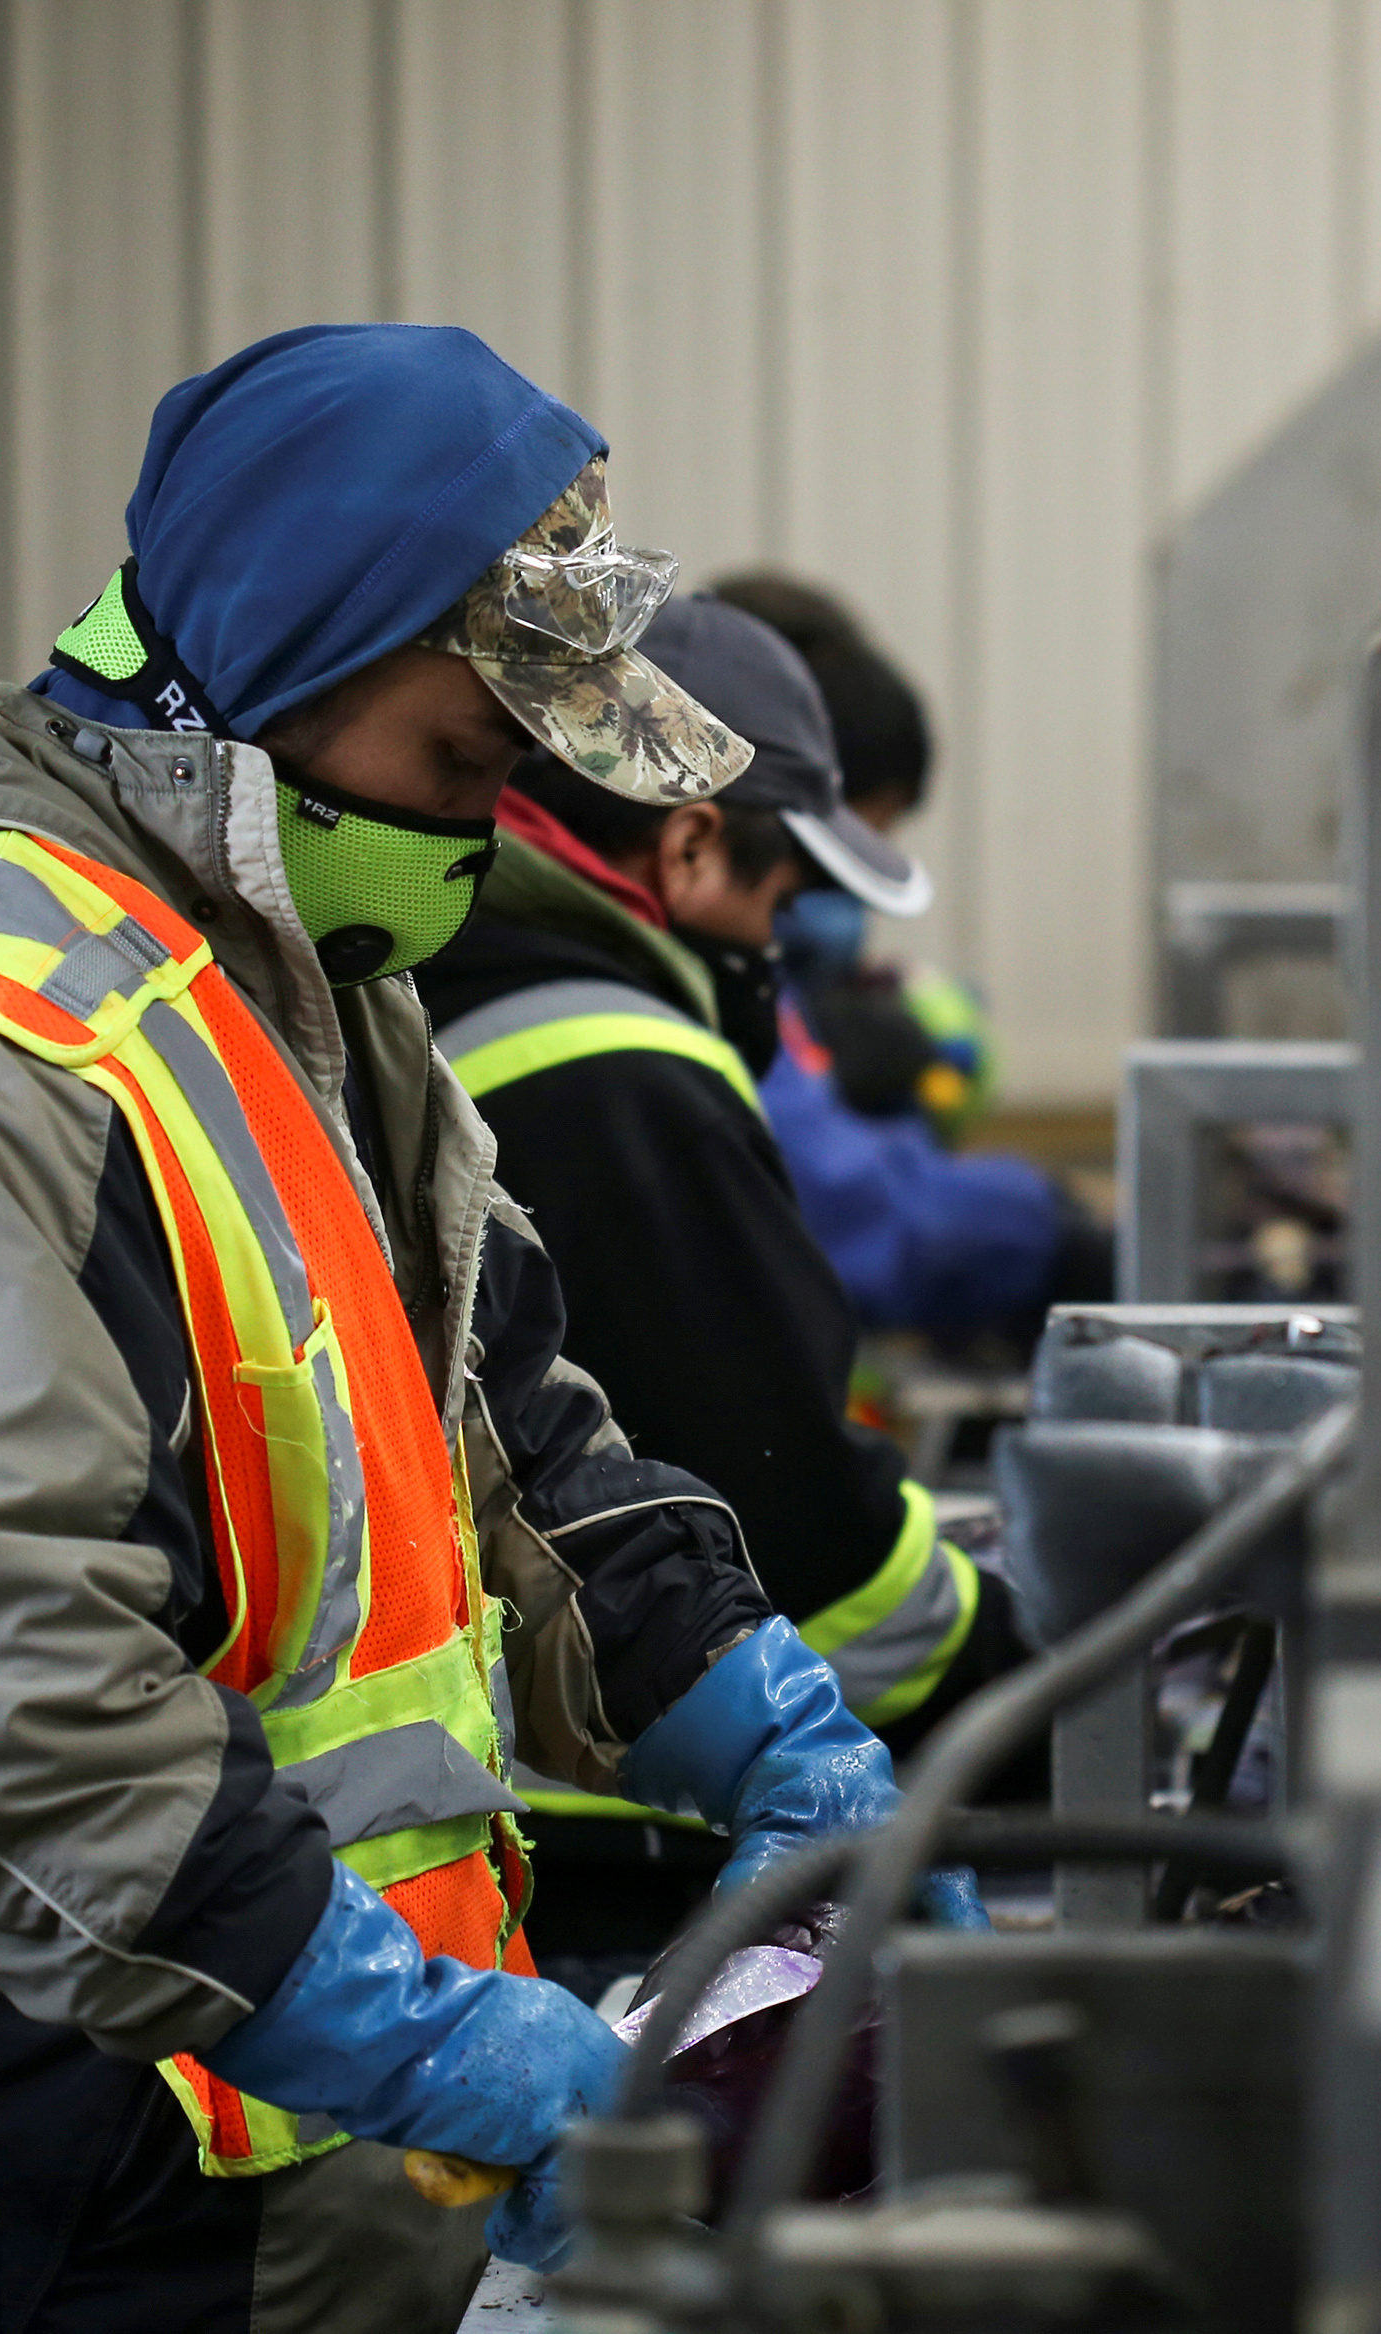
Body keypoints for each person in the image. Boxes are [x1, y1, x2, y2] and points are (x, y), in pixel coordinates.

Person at [0, 323, 972, 2334]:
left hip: (291, 2147)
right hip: (27, 2164)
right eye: (460, 767)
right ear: (266, 665)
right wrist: (411, 2037)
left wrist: (770, 1731)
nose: (476, 836)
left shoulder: (294, 992)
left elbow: (500, 1437)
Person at [417, 595, 1024, 1790]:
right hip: (604, 1811)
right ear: (690, 849)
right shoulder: (626, 1075)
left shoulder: (431, 973)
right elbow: (801, 1546)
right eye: (783, 903)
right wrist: (1030, 1662)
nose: (783, 950)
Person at [709, 573, 1111, 1342]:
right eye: (862, 838)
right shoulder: (711, 981)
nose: (853, 884)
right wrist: (1040, 1230)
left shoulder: (758, 980)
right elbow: (843, 1211)